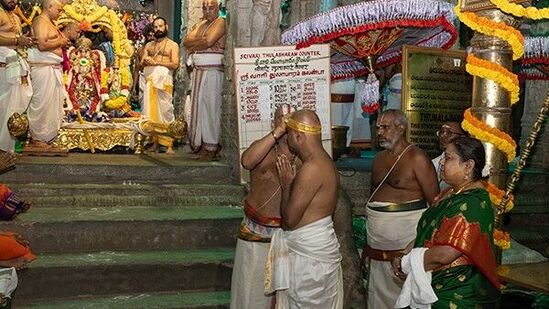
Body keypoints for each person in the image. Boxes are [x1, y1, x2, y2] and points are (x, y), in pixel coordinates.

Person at [393, 137, 500, 308]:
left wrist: (408, 263)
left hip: (457, 291)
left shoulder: (473, 203)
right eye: (443, 157)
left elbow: (447, 254)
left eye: (448, 158)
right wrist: (403, 254)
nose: (442, 162)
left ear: (468, 166)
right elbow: (429, 232)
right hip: (434, 282)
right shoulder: (449, 194)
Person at [266, 109, 343, 308]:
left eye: (288, 133)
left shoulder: (312, 168)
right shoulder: (326, 162)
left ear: (298, 136)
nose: (286, 137)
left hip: (310, 261)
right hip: (317, 250)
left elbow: (290, 221)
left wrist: (286, 185)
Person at [363, 109, 439, 308]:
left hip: (404, 245)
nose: (379, 132)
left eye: (385, 127)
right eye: (378, 127)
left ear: (401, 127)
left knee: (404, 299)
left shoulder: (417, 158)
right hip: (376, 246)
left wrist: (420, 241)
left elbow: (436, 205)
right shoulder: (378, 159)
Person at [230, 104, 295, 309]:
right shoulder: (264, 149)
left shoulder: (302, 154)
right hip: (256, 233)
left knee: (283, 299)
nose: (285, 124)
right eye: (281, 119)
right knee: (250, 294)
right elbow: (247, 161)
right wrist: (277, 133)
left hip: (286, 236)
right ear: (273, 122)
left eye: (290, 120)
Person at [183, 0, 225, 161]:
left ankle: (212, 147)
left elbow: (208, 41)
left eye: (211, 8)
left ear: (217, 8)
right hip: (199, 72)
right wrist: (201, 42)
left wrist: (202, 42)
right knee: (199, 109)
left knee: (210, 109)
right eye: (205, 8)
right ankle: (202, 146)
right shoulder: (201, 24)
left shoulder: (221, 22)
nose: (208, 11)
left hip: (212, 73)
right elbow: (187, 41)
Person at [26, 0, 68, 151]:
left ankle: (47, 139)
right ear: (49, 7)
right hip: (43, 69)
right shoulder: (40, 21)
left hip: (52, 69)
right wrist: (61, 42)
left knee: (52, 105)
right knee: (42, 104)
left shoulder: (49, 22)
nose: (60, 12)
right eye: (59, 9)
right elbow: (42, 45)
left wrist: (59, 41)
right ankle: (38, 139)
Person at [141, 16, 180, 154]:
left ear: (166, 27)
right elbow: (141, 63)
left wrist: (156, 63)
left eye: (160, 26)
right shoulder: (149, 45)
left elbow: (175, 64)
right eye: (156, 26)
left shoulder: (172, 45)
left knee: (165, 111)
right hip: (151, 81)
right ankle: (154, 143)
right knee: (150, 112)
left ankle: (169, 144)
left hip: (164, 81)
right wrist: (146, 60)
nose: (158, 29)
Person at [0, 0, 33, 159]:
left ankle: (6, 148)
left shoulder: (16, 17)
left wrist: (24, 42)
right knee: (3, 105)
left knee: (13, 105)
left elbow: (17, 39)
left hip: (14, 63)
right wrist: (16, 41)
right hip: (2, 67)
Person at [432, 122, 466, 189]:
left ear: (463, 136)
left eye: (449, 133)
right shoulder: (433, 163)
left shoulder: (467, 162)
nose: (442, 136)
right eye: (441, 132)